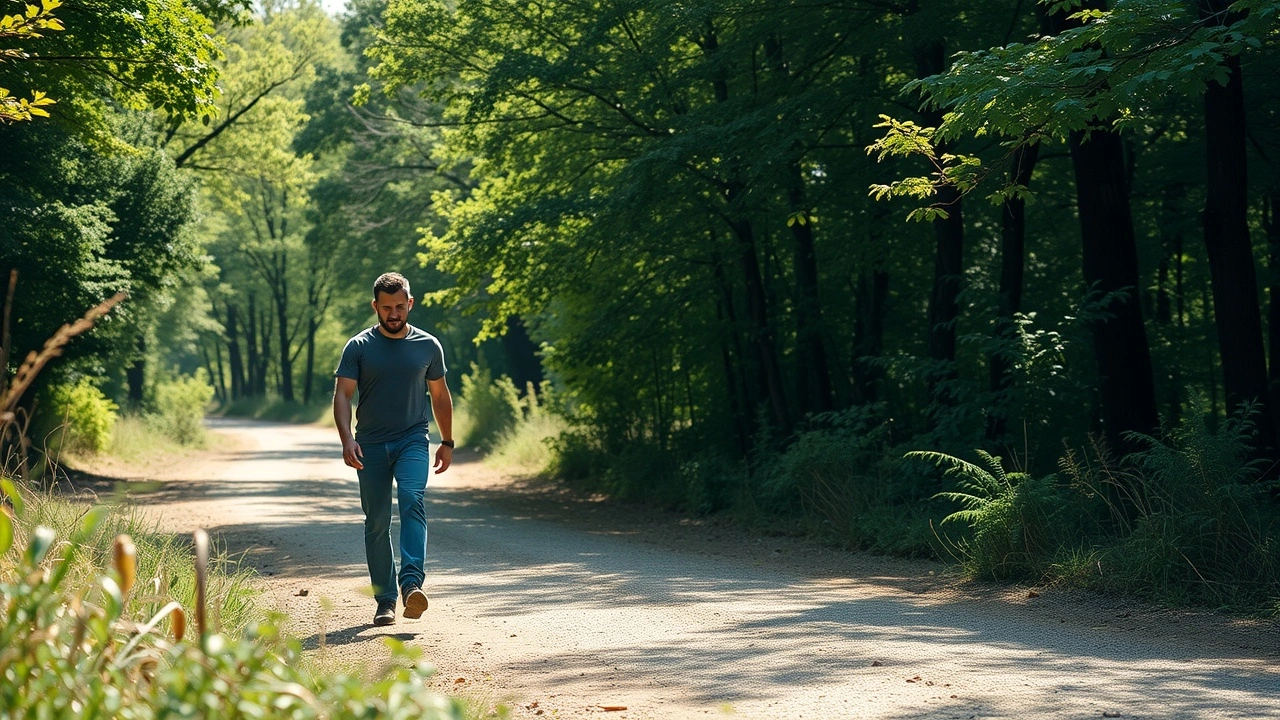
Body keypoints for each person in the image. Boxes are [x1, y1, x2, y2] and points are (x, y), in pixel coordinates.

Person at [333, 272, 454, 626]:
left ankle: (411, 584)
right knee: (377, 522)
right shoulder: (358, 347)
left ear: (410, 303)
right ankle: (384, 600)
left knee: (414, 499)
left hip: (413, 439)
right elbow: (343, 394)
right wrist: (346, 439)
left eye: (400, 306)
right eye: (386, 308)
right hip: (369, 444)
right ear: (375, 307)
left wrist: (446, 441)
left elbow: (440, 396)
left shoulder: (428, 346)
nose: (394, 313)